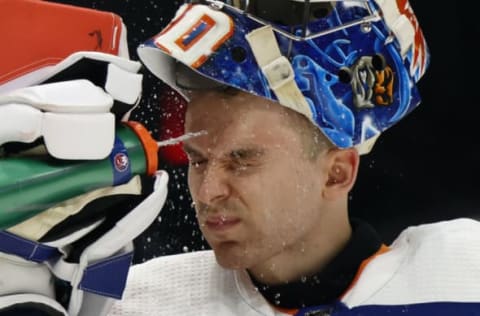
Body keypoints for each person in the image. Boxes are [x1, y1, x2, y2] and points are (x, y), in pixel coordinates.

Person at [109, 0, 480, 315]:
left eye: (242, 159)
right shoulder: (138, 302)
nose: (206, 193)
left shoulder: (466, 276)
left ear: (337, 174)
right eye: (198, 160)